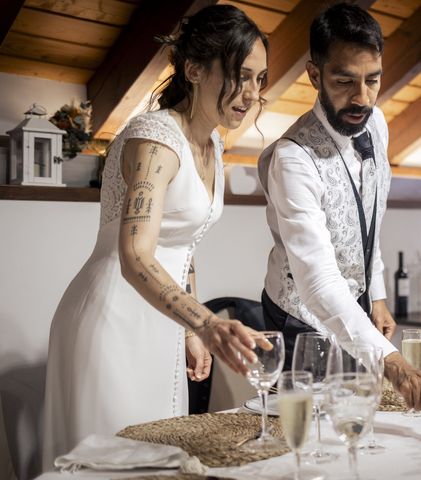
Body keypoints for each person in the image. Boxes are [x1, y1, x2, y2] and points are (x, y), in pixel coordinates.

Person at [42, 5, 268, 466]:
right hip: (113, 318)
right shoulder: (155, 140)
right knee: (114, 463)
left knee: (162, 461)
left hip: (162, 319)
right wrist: (204, 321)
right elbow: (135, 255)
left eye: (260, 79)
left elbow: (183, 244)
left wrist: (189, 330)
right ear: (194, 69)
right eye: (241, 75)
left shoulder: (212, 141)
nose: (251, 93)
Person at [258, 3, 421, 420]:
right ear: (314, 75)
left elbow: (370, 215)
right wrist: (392, 361)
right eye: (344, 81)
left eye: (372, 80)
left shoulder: (376, 124)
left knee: (359, 426)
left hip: (356, 311)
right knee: (308, 441)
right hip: (300, 319)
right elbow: (318, 280)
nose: (361, 97)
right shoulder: (292, 159)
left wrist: (376, 292)